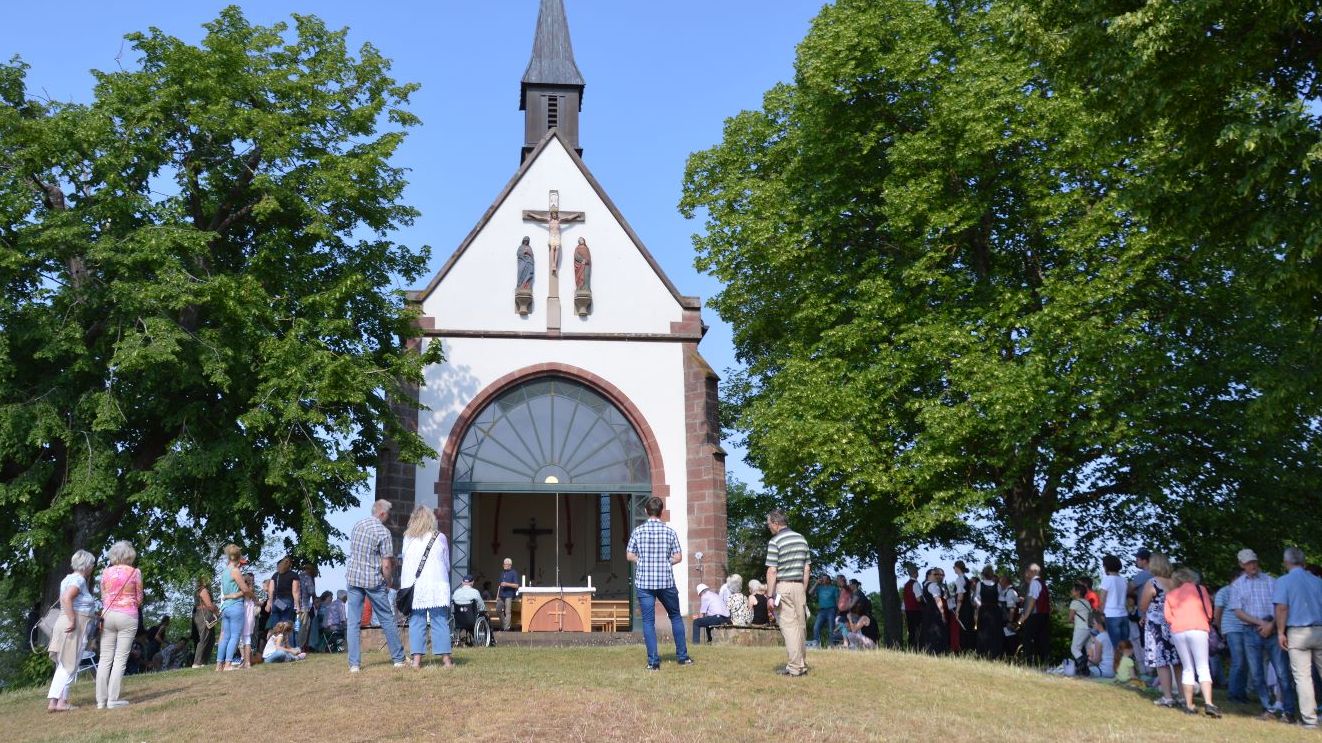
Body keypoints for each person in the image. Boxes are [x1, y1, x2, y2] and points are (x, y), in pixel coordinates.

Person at [625, 496, 693, 671]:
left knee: (648, 621)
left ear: (646, 511)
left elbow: (629, 555)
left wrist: (642, 561)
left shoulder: (638, 532)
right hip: (666, 582)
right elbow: (678, 556)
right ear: (661, 512)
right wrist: (665, 562)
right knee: (676, 617)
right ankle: (683, 657)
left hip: (645, 582)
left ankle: (653, 662)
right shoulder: (669, 532)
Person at [1232, 548, 1297, 722]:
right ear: (1241, 565)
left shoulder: (1271, 581)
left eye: (1253, 561)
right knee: (1257, 673)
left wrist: (1271, 625)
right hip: (1250, 631)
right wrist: (1261, 624)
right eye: (1248, 563)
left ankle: (1288, 710)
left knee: (1282, 671)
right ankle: (1267, 707)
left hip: (1273, 628)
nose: (1252, 565)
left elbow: (1282, 606)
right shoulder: (1237, 585)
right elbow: (1238, 612)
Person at [346, 499, 406, 672]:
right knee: (387, 618)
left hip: (353, 577)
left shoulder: (358, 525)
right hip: (372, 580)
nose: (389, 517)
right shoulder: (383, 532)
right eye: (388, 514)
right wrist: (389, 581)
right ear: (382, 513)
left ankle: (354, 664)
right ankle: (398, 659)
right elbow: (386, 564)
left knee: (353, 622)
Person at [1274, 546, 1322, 730]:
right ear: (1304, 561)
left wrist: (1280, 632)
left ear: (1286, 562)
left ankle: (1310, 719)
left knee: (1303, 677)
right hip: (1319, 629)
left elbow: (1282, 608)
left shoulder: (1283, 581)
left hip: (1298, 632)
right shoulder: (1318, 581)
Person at [401, 505, 453, 669]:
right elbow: (447, 564)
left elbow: (404, 559)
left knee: (417, 622)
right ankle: (446, 661)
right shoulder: (440, 537)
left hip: (416, 587)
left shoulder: (408, 539)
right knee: (440, 621)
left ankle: (416, 662)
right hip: (437, 585)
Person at [1165, 567, 1220, 717]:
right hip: (1198, 628)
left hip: (1178, 630)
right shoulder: (1200, 589)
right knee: (1202, 667)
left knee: (1187, 668)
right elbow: (1209, 611)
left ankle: (1189, 705)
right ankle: (1209, 703)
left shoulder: (1170, 594)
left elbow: (1168, 617)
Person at [46, 550, 97, 713]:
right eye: (92, 564)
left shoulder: (67, 578)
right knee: (70, 663)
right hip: (74, 624)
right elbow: (67, 598)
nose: (93, 568)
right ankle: (57, 702)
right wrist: (73, 619)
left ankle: (58, 701)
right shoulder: (79, 580)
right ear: (87, 565)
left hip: (65, 621)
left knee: (65, 663)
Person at [96, 541, 143, 709]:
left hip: (107, 615)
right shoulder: (135, 572)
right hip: (127, 615)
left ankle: (101, 700)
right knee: (120, 658)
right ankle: (112, 699)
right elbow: (139, 599)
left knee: (104, 658)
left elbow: (103, 596)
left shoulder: (105, 573)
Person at [764, 508, 811, 677]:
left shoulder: (775, 541)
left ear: (776, 524)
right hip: (799, 586)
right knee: (801, 627)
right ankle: (801, 665)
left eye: (769, 524)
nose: (769, 527)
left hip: (783, 587)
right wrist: (802, 591)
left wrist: (770, 596)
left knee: (789, 627)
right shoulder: (801, 539)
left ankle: (793, 668)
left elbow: (772, 571)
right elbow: (807, 569)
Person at [1139, 552, 1181, 708]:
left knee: (1161, 662)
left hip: (1157, 626)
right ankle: (1183, 696)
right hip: (1175, 625)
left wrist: (1144, 613)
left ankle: (1168, 696)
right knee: (1177, 662)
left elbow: (1143, 605)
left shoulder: (1153, 582)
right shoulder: (1175, 583)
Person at [1214, 565, 1249, 703]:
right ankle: (1233, 693)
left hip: (1245, 628)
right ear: (1234, 578)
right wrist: (1221, 629)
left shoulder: (1244, 591)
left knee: (1244, 663)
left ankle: (1241, 693)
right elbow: (1217, 612)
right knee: (1238, 661)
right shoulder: (1224, 592)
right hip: (1232, 629)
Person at [217, 544, 252, 672]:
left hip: (225, 607)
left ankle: (219, 665)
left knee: (225, 636)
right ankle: (228, 664)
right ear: (239, 557)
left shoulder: (224, 571)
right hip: (236, 606)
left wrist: (230, 594)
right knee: (235, 636)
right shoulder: (235, 571)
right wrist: (242, 594)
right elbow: (245, 590)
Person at [1018, 564, 1051, 666]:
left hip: (1035, 615)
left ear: (1032, 572)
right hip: (1044, 616)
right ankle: (1043, 663)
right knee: (1041, 640)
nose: (1026, 574)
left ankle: (1028, 662)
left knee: (1027, 639)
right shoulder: (1043, 584)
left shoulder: (1034, 583)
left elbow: (1032, 601)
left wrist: (1024, 616)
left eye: (1027, 571)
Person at [1097, 554, 1131, 651]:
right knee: (1125, 647)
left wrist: (1100, 614)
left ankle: (1118, 665)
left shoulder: (1106, 579)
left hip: (1111, 615)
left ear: (1106, 566)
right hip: (1124, 614)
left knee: (1116, 647)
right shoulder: (1123, 580)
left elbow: (1102, 599)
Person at [264, 557, 301, 630]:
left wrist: (269, 603)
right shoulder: (293, 575)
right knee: (285, 626)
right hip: (287, 602)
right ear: (290, 565)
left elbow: (271, 590)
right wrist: (298, 606)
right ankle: (282, 640)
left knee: (275, 627)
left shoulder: (275, 575)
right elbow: (295, 591)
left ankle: (275, 639)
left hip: (276, 602)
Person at [975, 565, 1004, 660]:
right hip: (995, 611)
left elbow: (976, 598)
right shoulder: (997, 585)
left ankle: (983, 653)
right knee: (995, 632)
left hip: (984, 610)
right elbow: (1001, 599)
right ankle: (994, 654)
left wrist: (980, 605)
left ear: (983, 574)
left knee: (983, 631)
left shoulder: (980, 584)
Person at [191, 573, 219, 669]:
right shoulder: (203, 591)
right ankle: (197, 662)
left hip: (202, 615)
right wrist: (216, 610)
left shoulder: (198, 590)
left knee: (210, 639)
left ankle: (203, 661)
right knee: (204, 638)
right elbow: (209, 605)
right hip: (204, 615)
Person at [920, 568, 949, 655]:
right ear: (929, 576)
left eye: (937, 574)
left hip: (928, 610)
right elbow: (938, 600)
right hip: (935, 611)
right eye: (935, 574)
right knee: (936, 630)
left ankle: (929, 650)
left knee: (929, 630)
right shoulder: (933, 586)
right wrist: (943, 613)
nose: (937, 576)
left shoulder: (926, 585)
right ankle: (936, 650)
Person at [1069, 581, 1093, 676]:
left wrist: (1072, 621)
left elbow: (1070, 618)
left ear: (1077, 592)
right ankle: (1088, 670)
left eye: (1073, 590)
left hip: (1080, 628)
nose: (1071, 591)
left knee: (1074, 648)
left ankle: (1083, 668)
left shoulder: (1074, 602)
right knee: (1088, 649)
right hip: (1089, 629)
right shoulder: (1087, 602)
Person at [953, 561, 976, 653]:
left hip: (963, 608)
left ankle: (965, 649)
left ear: (957, 567)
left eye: (954, 567)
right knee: (968, 627)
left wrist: (957, 610)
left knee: (963, 628)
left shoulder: (960, 579)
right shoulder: (965, 578)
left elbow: (960, 596)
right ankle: (969, 649)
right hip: (968, 607)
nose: (953, 569)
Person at [812, 573, 839, 649]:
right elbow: (810, 592)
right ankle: (817, 644)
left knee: (831, 628)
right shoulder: (819, 588)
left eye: (825, 579)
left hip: (831, 610)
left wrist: (838, 611)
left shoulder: (834, 588)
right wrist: (816, 583)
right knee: (816, 627)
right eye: (822, 579)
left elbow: (837, 601)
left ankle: (831, 645)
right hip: (821, 611)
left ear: (829, 580)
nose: (823, 580)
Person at [296, 562, 318, 652]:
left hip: (295, 605)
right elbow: (311, 590)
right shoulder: (307, 577)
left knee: (295, 626)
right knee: (303, 627)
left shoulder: (296, 576)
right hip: (304, 606)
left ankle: (294, 644)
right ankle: (299, 646)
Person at [998, 574, 1020, 658]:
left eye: (1001, 582)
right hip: (1006, 622)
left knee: (1011, 642)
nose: (999, 584)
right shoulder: (1008, 591)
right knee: (1007, 642)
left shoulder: (1010, 592)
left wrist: (1010, 622)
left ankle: (1012, 659)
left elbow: (1012, 608)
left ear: (1005, 582)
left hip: (1008, 623)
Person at [902, 564, 923, 651]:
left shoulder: (906, 585)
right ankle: (917, 648)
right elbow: (918, 599)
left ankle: (910, 648)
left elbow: (904, 600)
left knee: (911, 631)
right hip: (916, 610)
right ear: (915, 573)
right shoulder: (915, 584)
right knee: (917, 631)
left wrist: (903, 611)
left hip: (908, 611)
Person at [497, 558, 519, 631]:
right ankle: (504, 625)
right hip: (501, 595)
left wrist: (507, 584)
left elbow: (516, 585)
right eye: (503, 564)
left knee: (507, 612)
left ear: (510, 565)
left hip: (509, 595)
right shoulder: (502, 573)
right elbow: (499, 585)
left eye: (506, 564)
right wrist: (497, 596)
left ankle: (506, 628)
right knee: (498, 610)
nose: (504, 565)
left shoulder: (513, 573)